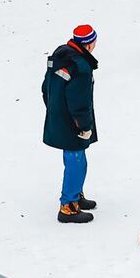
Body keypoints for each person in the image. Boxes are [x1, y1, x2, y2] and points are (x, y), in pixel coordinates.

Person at [41, 24, 99, 224]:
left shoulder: (59, 56)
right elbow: (79, 102)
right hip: (72, 122)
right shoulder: (81, 67)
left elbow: (45, 87)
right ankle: (68, 206)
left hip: (59, 116)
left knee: (76, 159)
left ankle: (76, 195)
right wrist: (84, 126)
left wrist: (54, 109)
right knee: (76, 161)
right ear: (90, 44)